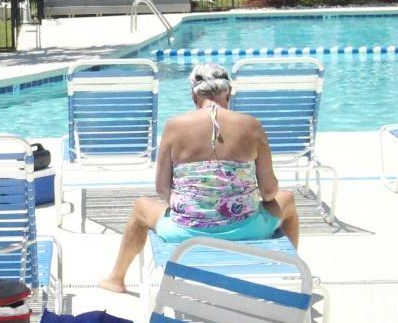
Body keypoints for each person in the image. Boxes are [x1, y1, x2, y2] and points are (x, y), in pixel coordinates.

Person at [99, 63, 299, 293]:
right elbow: (269, 191)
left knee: (141, 207)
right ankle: (289, 277)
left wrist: (199, 205)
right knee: (288, 200)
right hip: (247, 229)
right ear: (229, 93)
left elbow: (162, 189)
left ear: (194, 94)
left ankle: (116, 279)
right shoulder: (251, 126)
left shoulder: (175, 126)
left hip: (186, 234)